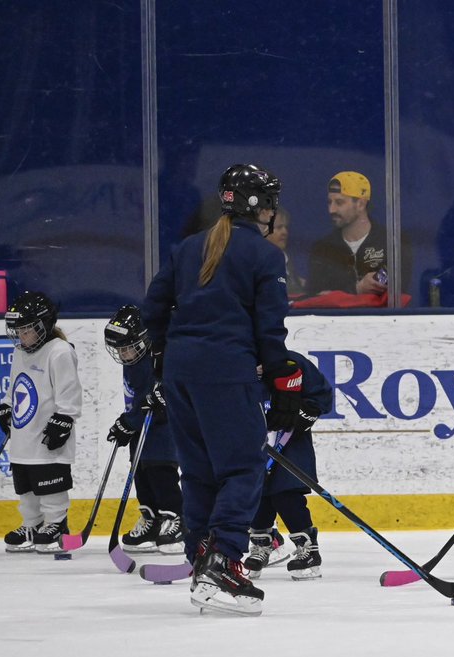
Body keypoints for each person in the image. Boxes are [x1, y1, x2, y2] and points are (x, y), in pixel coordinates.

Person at [143, 163, 301, 617]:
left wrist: (162, 366)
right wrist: (284, 381)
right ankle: (224, 559)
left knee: (197, 470)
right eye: (270, 201)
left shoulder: (188, 248)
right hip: (226, 373)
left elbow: (152, 312)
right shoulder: (265, 256)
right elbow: (269, 332)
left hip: (181, 374)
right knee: (244, 466)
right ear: (260, 207)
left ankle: (201, 555)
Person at [0, 291, 82, 554]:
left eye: (26, 329)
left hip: (47, 435)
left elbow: (69, 392)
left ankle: (56, 524)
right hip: (23, 434)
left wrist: (64, 419)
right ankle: (32, 524)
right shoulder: (21, 352)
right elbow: (15, 389)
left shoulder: (59, 351)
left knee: (49, 483)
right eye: (17, 330)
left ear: (43, 325)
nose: (20, 335)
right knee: (26, 487)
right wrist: (5, 407)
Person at [245, 349, 332, 581]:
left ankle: (308, 550)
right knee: (257, 496)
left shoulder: (292, 361)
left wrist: (306, 412)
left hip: (291, 446)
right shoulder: (236, 363)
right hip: (255, 448)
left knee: (287, 495)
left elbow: (322, 395)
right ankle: (263, 545)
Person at [103, 305, 183, 555]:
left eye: (128, 347)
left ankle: (176, 519)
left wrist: (132, 420)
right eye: (120, 349)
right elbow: (137, 400)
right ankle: (150, 519)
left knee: (161, 473)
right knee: (141, 473)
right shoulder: (133, 360)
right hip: (142, 428)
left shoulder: (161, 355)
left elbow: (161, 397)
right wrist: (126, 422)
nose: (124, 354)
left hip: (164, 430)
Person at [305, 171, 410, 304]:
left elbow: (398, 287)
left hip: (382, 322)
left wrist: (340, 292)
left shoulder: (393, 242)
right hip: (333, 324)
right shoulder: (322, 249)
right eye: (329, 202)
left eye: (339, 202)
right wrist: (357, 289)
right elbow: (314, 298)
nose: (331, 209)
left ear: (361, 204)